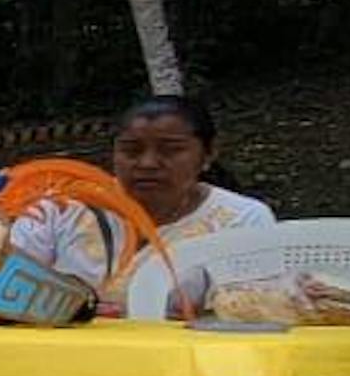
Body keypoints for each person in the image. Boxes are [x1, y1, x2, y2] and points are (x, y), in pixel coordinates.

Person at [111, 91, 270, 261]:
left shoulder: (241, 220)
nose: (147, 164)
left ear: (208, 154)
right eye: (131, 150)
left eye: (170, 150)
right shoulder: (84, 208)